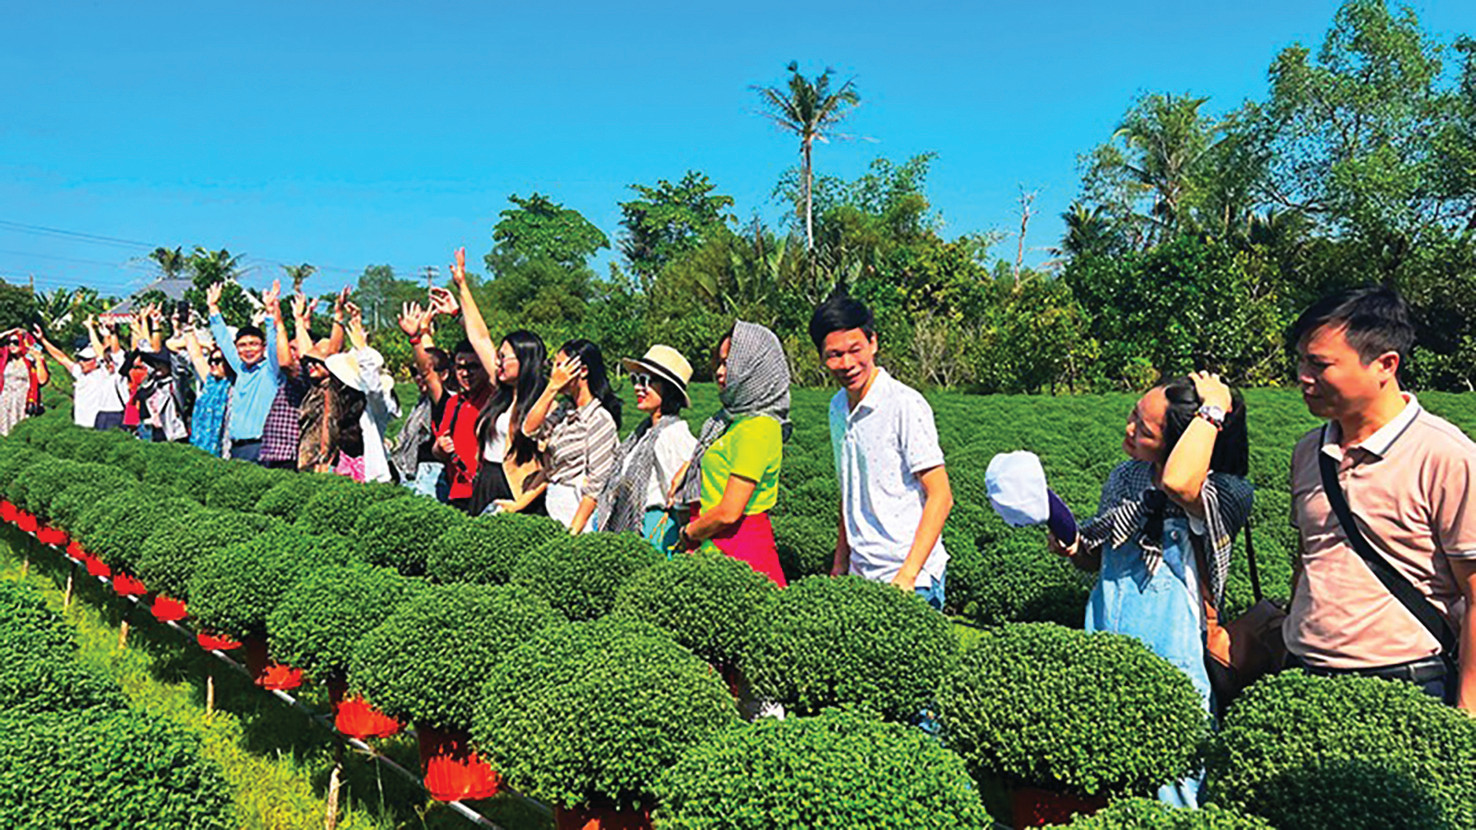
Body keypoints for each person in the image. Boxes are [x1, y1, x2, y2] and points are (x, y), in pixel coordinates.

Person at [1053, 372, 1251, 807]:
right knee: (1100, 773)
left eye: (1144, 429)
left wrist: (1214, 406)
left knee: (1173, 783)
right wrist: (1072, 546)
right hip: (1105, 638)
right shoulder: (1127, 477)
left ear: (1182, 438)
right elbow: (1098, 558)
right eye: (1132, 417)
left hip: (1175, 656)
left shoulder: (1226, 490)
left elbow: (1180, 484)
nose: (1128, 430)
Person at [1283, 286, 1475, 711]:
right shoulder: (1307, 451)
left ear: (1385, 365)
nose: (1303, 376)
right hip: (1305, 675)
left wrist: (1467, 713)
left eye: (1319, 364)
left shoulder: (1446, 455)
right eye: (1301, 360)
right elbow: (1307, 558)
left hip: (1406, 682)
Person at [810, 294, 954, 609]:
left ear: (873, 343)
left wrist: (908, 575)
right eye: (834, 355)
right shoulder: (837, 407)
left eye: (854, 350)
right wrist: (839, 564)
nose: (846, 364)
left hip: (909, 578)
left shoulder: (904, 403)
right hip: (861, 573)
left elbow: (941, 495)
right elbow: (849, 493)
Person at [676, 322, 789, 587]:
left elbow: (729, 512)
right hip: (714, 548)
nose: (719, 371)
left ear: (753, 367)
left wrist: (688, 533)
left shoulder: (759, 427)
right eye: (720, 363)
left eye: (728, 363)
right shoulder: (730, 423)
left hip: (742, 552)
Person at [448, 247, 549, 517]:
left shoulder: (543, 403)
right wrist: (462, 286)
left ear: (525, 361)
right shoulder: (502, 393)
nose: (497, 362)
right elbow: (479, 337)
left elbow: (552, 465)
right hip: (487, 481)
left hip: (517, 489)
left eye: (505, 357)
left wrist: (521, 503)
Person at [597, 345, 698, 552]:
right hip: (632, 527)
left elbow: (687, 493)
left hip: (655, 531)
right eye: (635, 379)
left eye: (645, 381)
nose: (637, 387)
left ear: (668, 389)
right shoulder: (642, 432)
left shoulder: (673, 433)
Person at [520, 339, 622, 532]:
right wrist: (551, 389)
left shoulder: (598, 419)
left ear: (582, 371)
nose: (555, 373)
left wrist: (574, 530)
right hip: (555, 506)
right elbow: (529, 430)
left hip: (577, 513)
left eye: (560, 366)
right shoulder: (563, 412)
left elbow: (596, 485)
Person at [208, 280, 283, 462]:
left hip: (262, 445)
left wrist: (270, 313)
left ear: (262, 346)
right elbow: (224, 340)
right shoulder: (240, 369)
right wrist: (213, 307)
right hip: (237, 447)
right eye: (242, 345)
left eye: (253, 344)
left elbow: (275, 345)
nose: (248, 349)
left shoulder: (271, 370)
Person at [392, 298, 456, 497]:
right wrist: (425, 329)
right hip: (414, 472)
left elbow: (429, 368)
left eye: (421, 374)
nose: (418, 377)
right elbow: (431, 360)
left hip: (433, 475)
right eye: (414, 372)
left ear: (444, 375)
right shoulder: (423, 400)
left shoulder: (446, 399)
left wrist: (416, 338)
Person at [35, 319, 123, 430]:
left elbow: (106, 353)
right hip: (80, 423)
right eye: (80, 359)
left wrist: (106, 333)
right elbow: (62, 357)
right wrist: (43, 339)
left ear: (95, 360)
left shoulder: (104, 373)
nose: (81, 362)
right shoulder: (79, 372)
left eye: (85, 359)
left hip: (97, 424)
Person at [180, 323, 233, 456]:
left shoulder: (236, 383)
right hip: (201, 445)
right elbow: (196, 355)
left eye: (218, 360)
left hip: (224, 450)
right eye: (211, 360)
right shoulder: (210, 382)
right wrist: (188, 327)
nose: (213, 364)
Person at [0, 329, 48, 436]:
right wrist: (7, 333)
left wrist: (38, 360)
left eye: (16, 342)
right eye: (9, 343)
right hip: (5, 402)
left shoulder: (31, 360)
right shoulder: (4, 358)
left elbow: (42, 380)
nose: (12, 345)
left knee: (21, 433)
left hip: (23, 402)